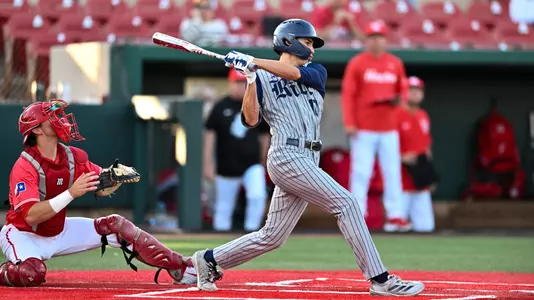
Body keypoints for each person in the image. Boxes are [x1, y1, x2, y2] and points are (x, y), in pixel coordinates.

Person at [190, 18, 425, 296]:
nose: (312, 48)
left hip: (309, 156)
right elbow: (251, 120)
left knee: (272, 237)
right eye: (307, 42)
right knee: (347, 203)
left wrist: (254, 62)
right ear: (288, 41)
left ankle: (209, 260)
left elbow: (293, 74)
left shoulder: (316, 71)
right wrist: (251, 79)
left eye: (313, 43)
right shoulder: (260, 75)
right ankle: (380, 279)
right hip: (286, 156)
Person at [0, 100, 197, 287]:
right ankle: (5, 272)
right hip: (24, 234)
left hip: (58, 231)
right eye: (52, 117)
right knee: (31, 273)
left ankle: (180, 267)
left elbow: (101, 187)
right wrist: (71, 193)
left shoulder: (70, 157)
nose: (61, 120)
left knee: (115, 225)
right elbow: (31, 215)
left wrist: (114, 177)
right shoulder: (25, 166)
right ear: (36, 129)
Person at [341, 20, 410, 232]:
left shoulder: (395, 63)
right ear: (367, 39)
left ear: (385, 39)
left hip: (389, 127)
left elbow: (404, 92)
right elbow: (348, 95)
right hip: (364, 127)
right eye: (372, 37)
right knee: (361, 172)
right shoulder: (358, 62)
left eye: (379, 37)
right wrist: (350, 122)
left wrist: (398, 100)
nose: (376, 41)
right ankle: (357, 214)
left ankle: (396, 215)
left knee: (392, 172)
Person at [204, 68, 270, 232]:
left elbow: (264, 135)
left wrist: (264, 159)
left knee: (257, 195)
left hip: (252, 163)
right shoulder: (220, 106)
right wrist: (207, 164)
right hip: (227, 166)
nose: (240, 87)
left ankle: (252, 231)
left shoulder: (255, 104)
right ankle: (220, 240)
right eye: (237, 83)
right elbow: (210, 136)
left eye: (243, 83)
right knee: (224, 205)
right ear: (230, 83)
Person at [397, 76, 436, 232]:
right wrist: (401, 157)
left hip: (420, 181)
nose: (414, 94)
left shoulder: (423, 116)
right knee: (396, 228)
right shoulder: (395, 114)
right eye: (410, 90)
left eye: (418, 90)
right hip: (401, 181)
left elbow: (427, 148)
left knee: (426, 228)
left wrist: (430, 176)